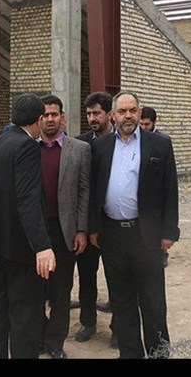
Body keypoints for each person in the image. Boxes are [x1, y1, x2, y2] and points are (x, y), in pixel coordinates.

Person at [88, 91, 179, 359]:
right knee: (122, 301)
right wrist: (94, 228)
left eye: (132, 110)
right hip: (112, 236)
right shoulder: (101, 147)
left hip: (146, 236)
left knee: (153, 302)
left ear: (139, 112)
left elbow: (170, 189)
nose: (128, 116)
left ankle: (158, 354)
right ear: (112, 115)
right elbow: (94, 190)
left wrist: (169, 231)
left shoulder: (159, 145)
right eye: (122, 111)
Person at [0, 93, 57, 359]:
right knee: (25, 315)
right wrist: (42, 245)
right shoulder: (27, 147)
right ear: (38, 119)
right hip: (20, 248)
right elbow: (28, 199)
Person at [37, 95, 90, 359]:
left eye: (54, 114)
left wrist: (81, 230)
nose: (50, 119)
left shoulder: (79, 149)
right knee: (35, 289)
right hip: (36, 231)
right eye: (45, 115)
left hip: (64, 231)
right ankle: (39, 336)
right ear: (39, 119)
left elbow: (84, 191)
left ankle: (55, 342)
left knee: (61, 291)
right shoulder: (27, 147)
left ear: (62, 117)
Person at [73, 91, 114, 345]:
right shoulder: (80, 144)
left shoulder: (122, 143)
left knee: (117, 278)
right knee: (87, 277)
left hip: (113, 225)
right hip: (88, 225)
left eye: (96, 113)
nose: (92, 118)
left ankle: (119, 327)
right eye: (88, 114)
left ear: (109, 114)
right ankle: (88, 322)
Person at [139, 106, 171, 267]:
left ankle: (163, 253)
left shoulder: (162, 141)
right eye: (141, 124)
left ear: (154, 123)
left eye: (147, 124)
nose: (144, 128)